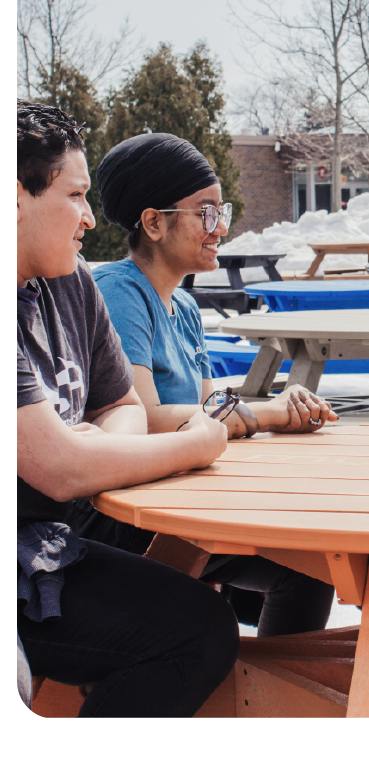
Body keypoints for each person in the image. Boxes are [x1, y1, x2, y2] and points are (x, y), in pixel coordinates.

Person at [65, 131, 339, 638]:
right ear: (153, 222)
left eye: (223, 212)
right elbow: (142, 415)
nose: (220, 228)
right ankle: (275, 706)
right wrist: (265, 413)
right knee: (305, 571)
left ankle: (275, 699)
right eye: (205, 214)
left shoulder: (185, 305)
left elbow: (207, 407)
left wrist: (267, 408)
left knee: (310, 564)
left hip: (182, 499)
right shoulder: (119, 293)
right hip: (125, 516)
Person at [17, 100, 239, 716]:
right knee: (195, 630)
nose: (89, 218)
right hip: (24, 560)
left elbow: (121, 405)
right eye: (75, 195)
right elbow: (59, 470)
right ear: (15, 196)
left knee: (246, 583)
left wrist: (87, 445)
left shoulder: (72, 281)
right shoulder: (113, 286)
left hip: (62, 530)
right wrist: (197, 442)